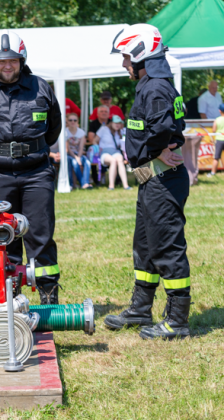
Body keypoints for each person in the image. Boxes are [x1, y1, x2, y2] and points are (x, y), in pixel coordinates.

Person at [105, 24, 192, 340]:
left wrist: (160, 148)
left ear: (142, 55)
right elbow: (171, 124)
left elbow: (164, 126)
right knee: (145, 245)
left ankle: (177, 320)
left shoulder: (154, 87)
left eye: (126, 56)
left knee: (166, 247)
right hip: (152, 178)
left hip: (163, 179)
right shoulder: (153, 84)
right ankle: (141, 308)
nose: (123, 63)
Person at [0, 31, 63, 304]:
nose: (7, 65)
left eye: (13, 60)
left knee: (40, 234)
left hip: (37, 173)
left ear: (22, 60)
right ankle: (9, 294)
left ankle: (48, 292)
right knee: (3, 236)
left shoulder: (41, 88)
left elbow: (54, 128)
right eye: (0, 61)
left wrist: (31, 150)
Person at [95, 115, 130, 190]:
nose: (118, 125)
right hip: (104, 152)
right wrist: (97, 148)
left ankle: (126, 185)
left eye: (119, 123)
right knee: (113, 161)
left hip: (115, 152)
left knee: (120, 159)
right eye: (116, 123)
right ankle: (111, 186)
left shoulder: (121, 131)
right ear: (111, 123)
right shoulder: (104, 129)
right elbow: (94, 140)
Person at [65, 113, 91, 189]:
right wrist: (76, 158)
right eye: (70, 120)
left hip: (79, 153)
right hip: (69, 154)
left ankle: (86, 182)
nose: (73, 122)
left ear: (77, 121)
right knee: (75, 163)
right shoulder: (65, 132)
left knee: (87, 162)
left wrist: (79, 157)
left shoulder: (81, 132)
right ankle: (81, 184)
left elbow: (81, 147)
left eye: (75, 120)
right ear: (67, 121)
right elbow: (68, 149)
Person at [209, 103, 224, 176]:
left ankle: (213, 172)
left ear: (219, 111)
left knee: (216, 157)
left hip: (219, 140)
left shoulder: (217, 119)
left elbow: (214, 130)